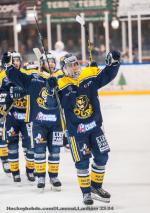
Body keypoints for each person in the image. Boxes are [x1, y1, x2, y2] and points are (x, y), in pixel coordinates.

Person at [46, 51, 121, 205]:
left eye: (76, 64)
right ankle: (86, 193)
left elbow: (107, 75)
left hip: (95, 128)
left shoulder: (88, 75)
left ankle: (95, 187)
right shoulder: (59, 83)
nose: (74, 67)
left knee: (102, 157)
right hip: (76, 133)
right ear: (64, 69)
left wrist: (114, 62)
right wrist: (49, 90)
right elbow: (49, 105)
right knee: (82, 163)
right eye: (70, 65)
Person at [2, 52, 63, 191]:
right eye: (48, 61)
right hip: (38, 122)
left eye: (53, 61)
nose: (51, 63)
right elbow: (16, 77)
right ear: (41, 63)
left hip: (56, 123)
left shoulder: (61, 78)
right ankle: (40, 177)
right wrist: (8, 65)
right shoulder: (34, 78)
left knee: (55, 151)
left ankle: (53, 177)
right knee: (39, 150)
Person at [0, 52, 35, 182]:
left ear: (21, 61)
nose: (15, 62)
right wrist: (9, 96)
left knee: (30, 145)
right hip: (12, 117)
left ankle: (30, 170)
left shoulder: (27, 75)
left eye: (17, 60)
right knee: (12, 145)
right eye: (13, 60)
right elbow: (2, 96)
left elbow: (34, 91)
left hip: (27, 117)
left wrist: (23, 92)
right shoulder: (5, 78)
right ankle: (15, 172)